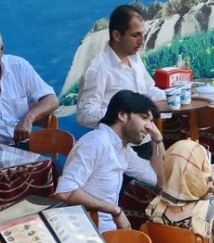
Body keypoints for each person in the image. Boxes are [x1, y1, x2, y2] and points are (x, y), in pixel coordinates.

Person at [53, 90, 165, 232]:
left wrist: (157, 139)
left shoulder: (123, 150)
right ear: (122, 115)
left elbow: (158, 181)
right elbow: (64, 192)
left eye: (151, 122)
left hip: (108, 233)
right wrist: (114, 210)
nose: (150, 127)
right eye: (144, 118)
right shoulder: (96, 142)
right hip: (86, 235)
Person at [76, 4, 168, 129]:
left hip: (145, 138)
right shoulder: (98, 68)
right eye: (136, 35)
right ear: (117, 35)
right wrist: (124, 115)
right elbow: (84, 114)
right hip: (116, 145)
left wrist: (172, 98)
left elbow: (148, 90)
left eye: (143, 34)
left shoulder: (135, 58)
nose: (142, 41)